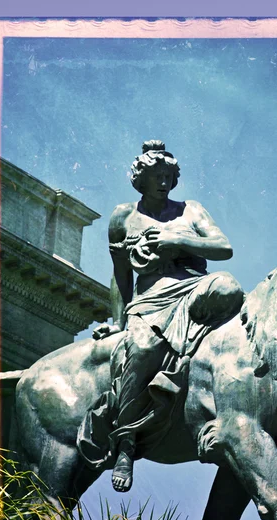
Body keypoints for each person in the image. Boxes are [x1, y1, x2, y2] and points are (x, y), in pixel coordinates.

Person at [77, 140, 243, 492]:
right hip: (151, 299)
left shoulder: (190, 210)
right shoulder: (123, 216)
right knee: (143, 347)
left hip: (195, 289)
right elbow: (121, 275)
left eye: (169, 176)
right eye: (157, 176)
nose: (164, 182)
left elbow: (223, 248)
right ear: (141, 178)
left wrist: (178, 242)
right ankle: (126, 441)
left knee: (229, 288)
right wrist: (120, 321)